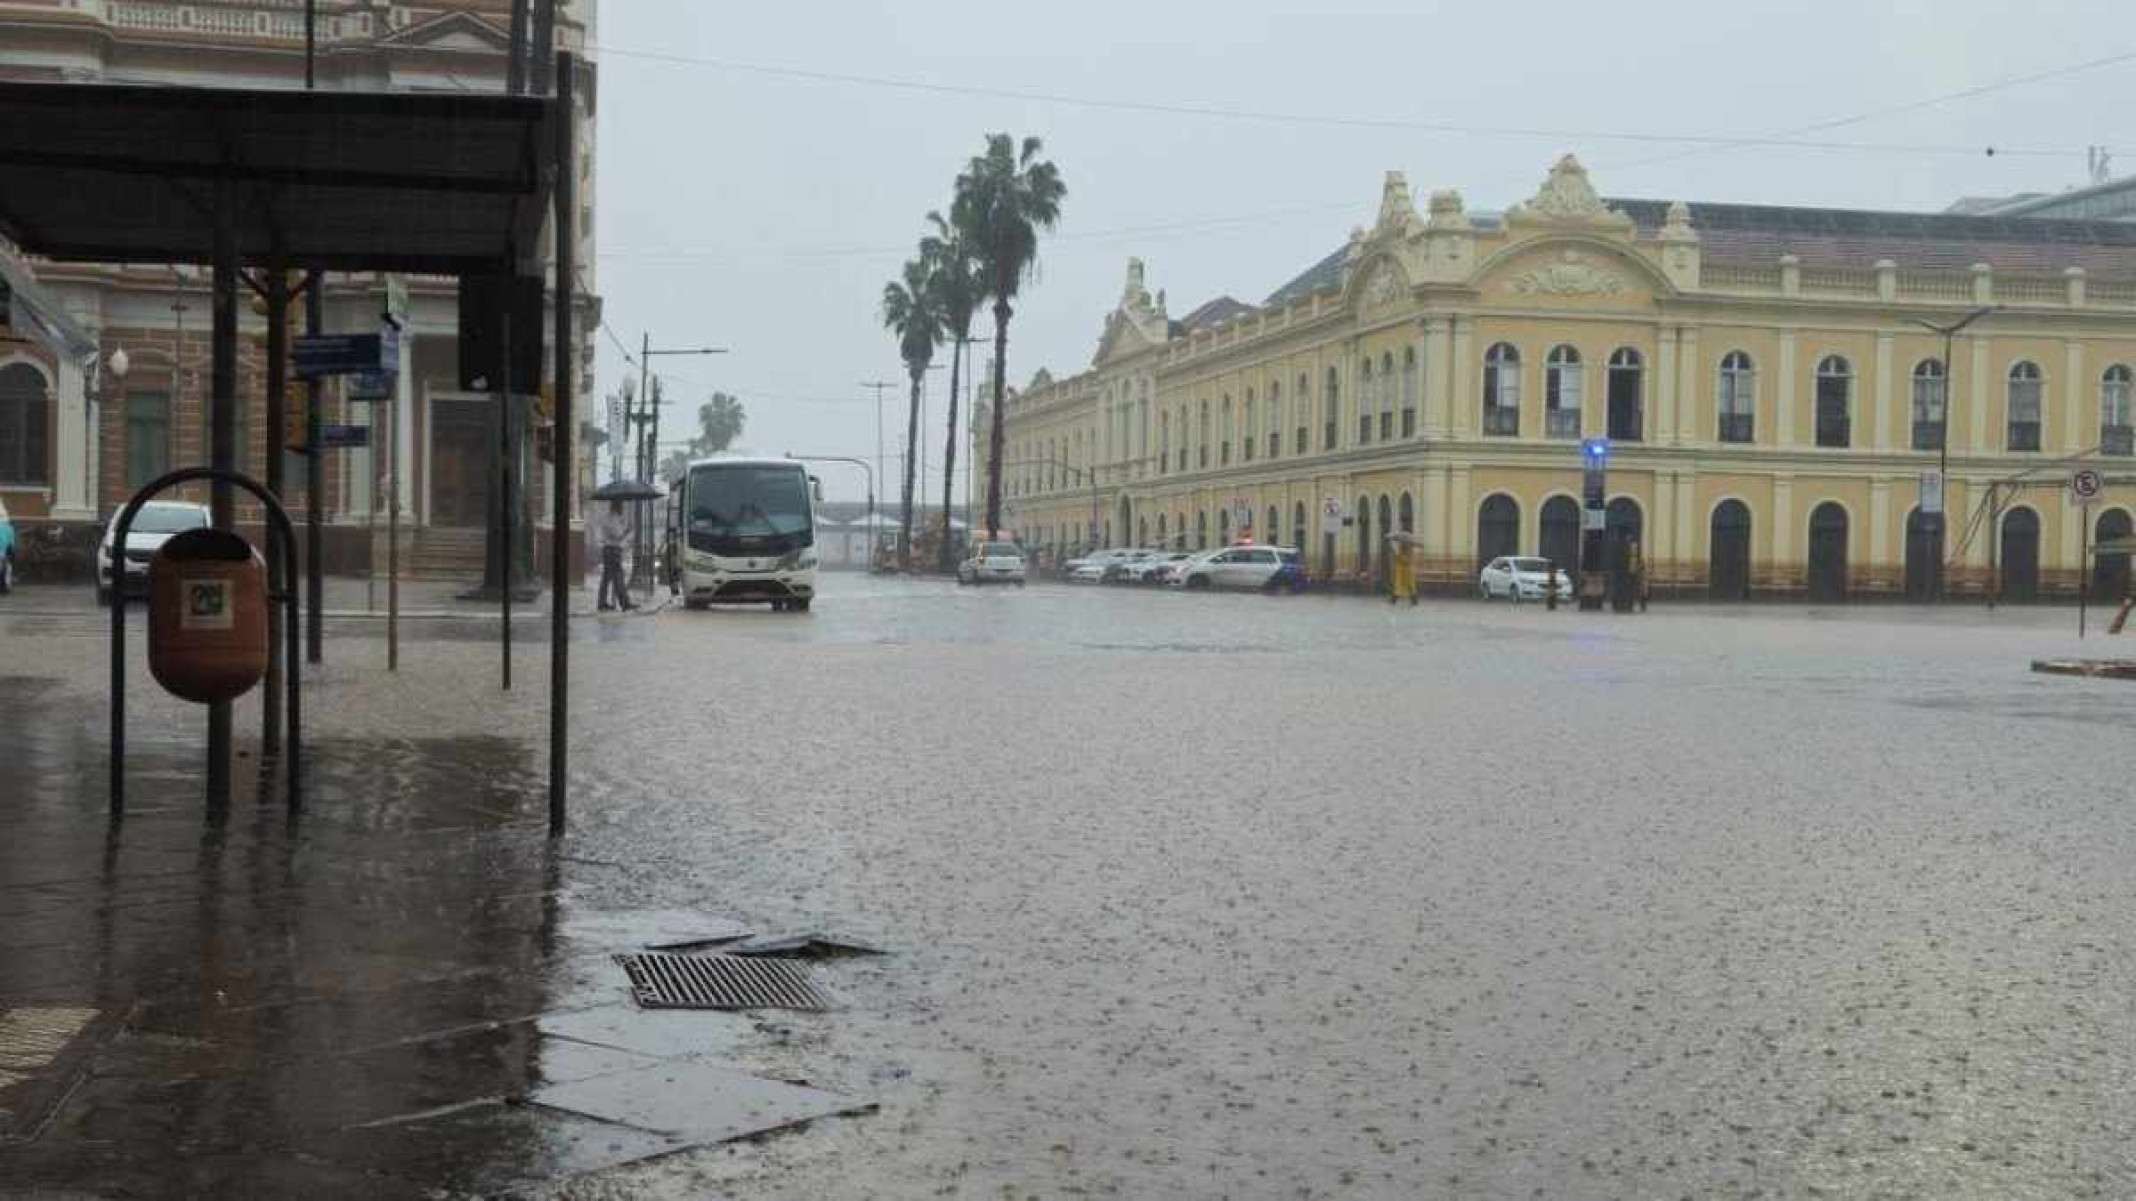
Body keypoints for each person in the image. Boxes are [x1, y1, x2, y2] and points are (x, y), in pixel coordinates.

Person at [595, 498, 634, 612]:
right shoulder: (613, 518)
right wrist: (627, 529)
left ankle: (602, 603)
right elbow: (618, 533)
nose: (623, 508)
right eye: (622, 506)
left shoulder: (608, 517)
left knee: (607, 578)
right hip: (613, 549)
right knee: (618, 577)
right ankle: (624, 603)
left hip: (608, 549)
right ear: (618, 506)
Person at [1387, 533, 1418, 606]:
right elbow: (1401, 557)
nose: (1404, 543)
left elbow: (1405, 559)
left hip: (1405, 569)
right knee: (1399, 584)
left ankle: (1413, 600)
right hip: (1402, 569)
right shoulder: (1404, 547)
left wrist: (1396, 554)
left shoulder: (1408, 549)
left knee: (1408, 585)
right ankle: (1394, 599)